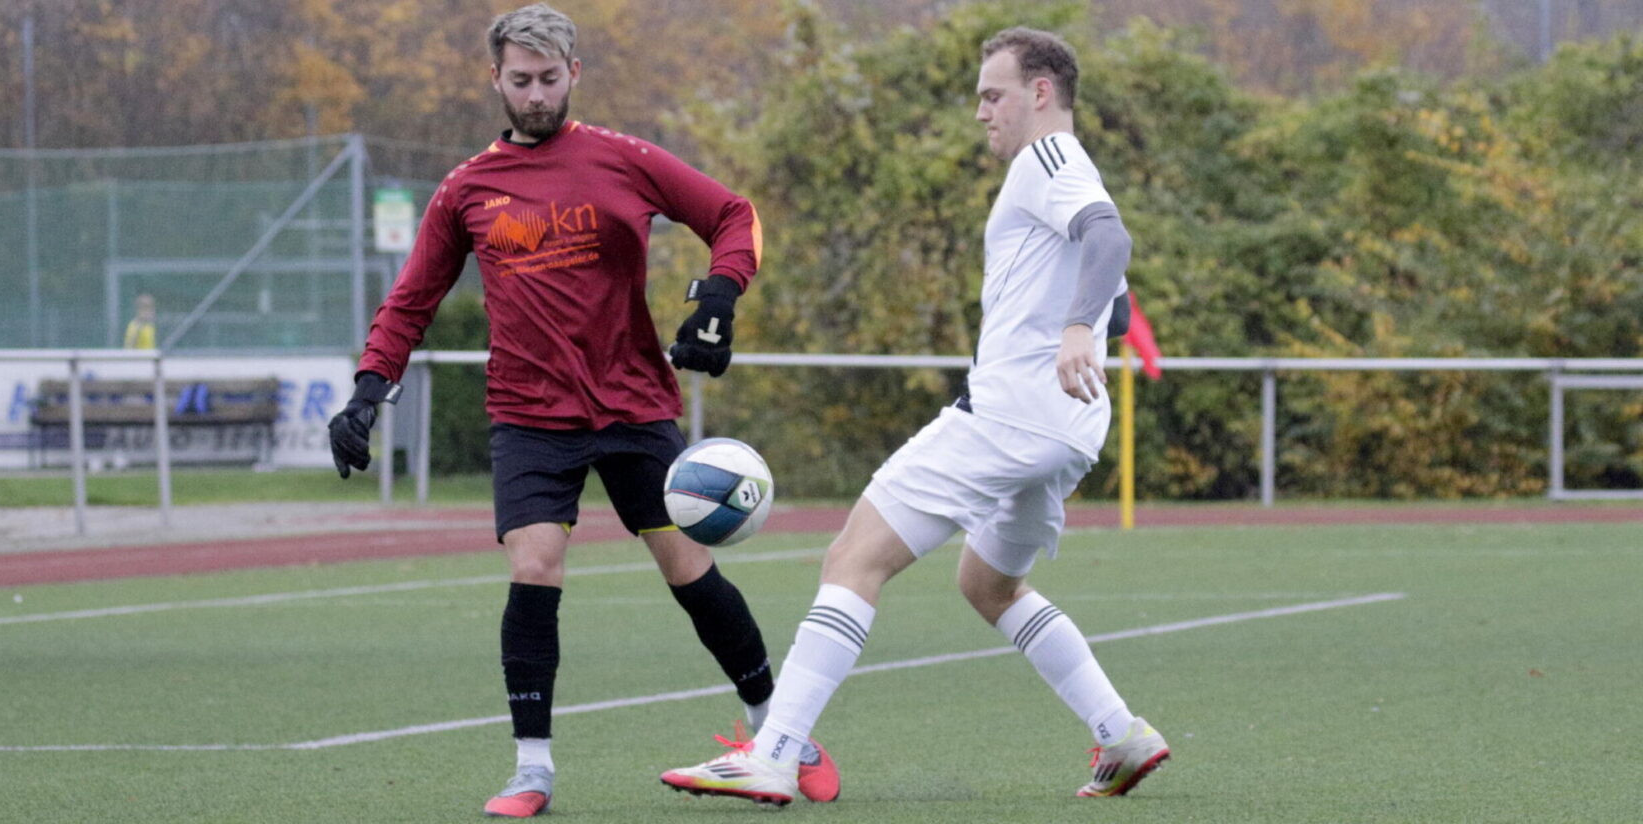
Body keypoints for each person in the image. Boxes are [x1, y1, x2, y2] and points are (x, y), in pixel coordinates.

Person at [324, 4, 838, 817]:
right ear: (495, 79)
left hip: (633, 404)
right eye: (520, 81)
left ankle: (776, 733)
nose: (535, 95)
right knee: (533, 568)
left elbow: (733, 215)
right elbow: (411, 300)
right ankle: (532, 771)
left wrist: (720, 295)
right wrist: (365, 389)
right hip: (528, 415)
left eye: (549, 80)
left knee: (687, 567)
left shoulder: (622, 159)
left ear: (575, 76)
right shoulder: (466, 189)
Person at [659, 27, 1167, 806]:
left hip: (1009, 419)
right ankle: (1120, 731)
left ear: (1040, 94)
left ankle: (774, 752)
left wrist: (1072, 331)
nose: (980, 113)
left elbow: (1110, 236)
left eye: (991, 95)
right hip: (1065, 430)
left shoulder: (1050, 159)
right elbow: (1114, 281)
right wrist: (1081, 324)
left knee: (852, 558)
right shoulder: (1059, 174)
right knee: (989, 584)